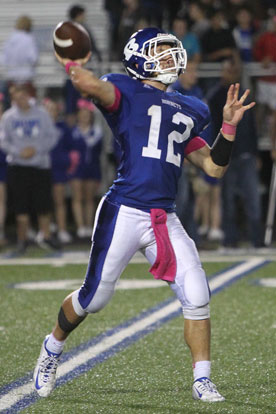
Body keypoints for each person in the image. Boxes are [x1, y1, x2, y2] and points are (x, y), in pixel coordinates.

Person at [33, 27, 255, 402]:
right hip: (125, 208)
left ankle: (202, 378)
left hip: (163, 217)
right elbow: (91, 86)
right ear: (139, 58)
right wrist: (72, 63)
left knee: (197, 292)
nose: (171, 56)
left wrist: (229, 126)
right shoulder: (124, 89)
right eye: (162, 50)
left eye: (173, 50)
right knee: (94, 299)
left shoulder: (191, 107)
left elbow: (214, 168)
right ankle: (52, 347)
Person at [207, 59, 263, 248]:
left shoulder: (244, 96)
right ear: (223, 72)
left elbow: (252, 127)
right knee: (227, 200)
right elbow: (213, 127)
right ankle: (230, 240)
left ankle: (257, 240)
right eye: (228, 70)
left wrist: (255, 153)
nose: (231, 73)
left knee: (253, 199)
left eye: (234, 70)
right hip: (228, 157)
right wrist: (218, 155)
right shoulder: (215, 97)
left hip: (246, 154)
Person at [0, 84, 58, 254]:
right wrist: (19, 152)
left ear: (27, 96)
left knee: (44, 204)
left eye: (21, 97)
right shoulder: (8, 117)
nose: (19, 101)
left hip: (40, 165)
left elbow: (52, 136)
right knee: (21, 206)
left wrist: (36, 150)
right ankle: (22, 240)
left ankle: (46, 237)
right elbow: (3, 141)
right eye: (15, 98)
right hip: (18, 166)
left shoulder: (42, 114)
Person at [69, 98, 103, 238]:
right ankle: (80, 226)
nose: (84, 117)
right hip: (76, 169)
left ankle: (89, 226)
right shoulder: (73, 131)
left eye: (87, 114)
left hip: (92, 168)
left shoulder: (96, 132)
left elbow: (98, 151)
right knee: (77, 197)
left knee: (89, 198)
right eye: (82, 114)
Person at [43, 98, 76, 245]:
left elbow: (71, 148)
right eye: (48, 109)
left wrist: (68, 163)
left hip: (59, 169)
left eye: (54, 109)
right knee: (44, 201)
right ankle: (45, 231)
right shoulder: (40, 127)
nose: (51, 113)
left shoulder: (63, 127)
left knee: (59, 201)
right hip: (42, 167)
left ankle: (62, 230)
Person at [0, 15, 38, 108]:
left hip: (12, 77)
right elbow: (34, 58)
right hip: (26, 78)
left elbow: (3, 59)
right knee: (28, 104)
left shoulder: (10, 39)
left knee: (12, 104)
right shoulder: (29, 39)